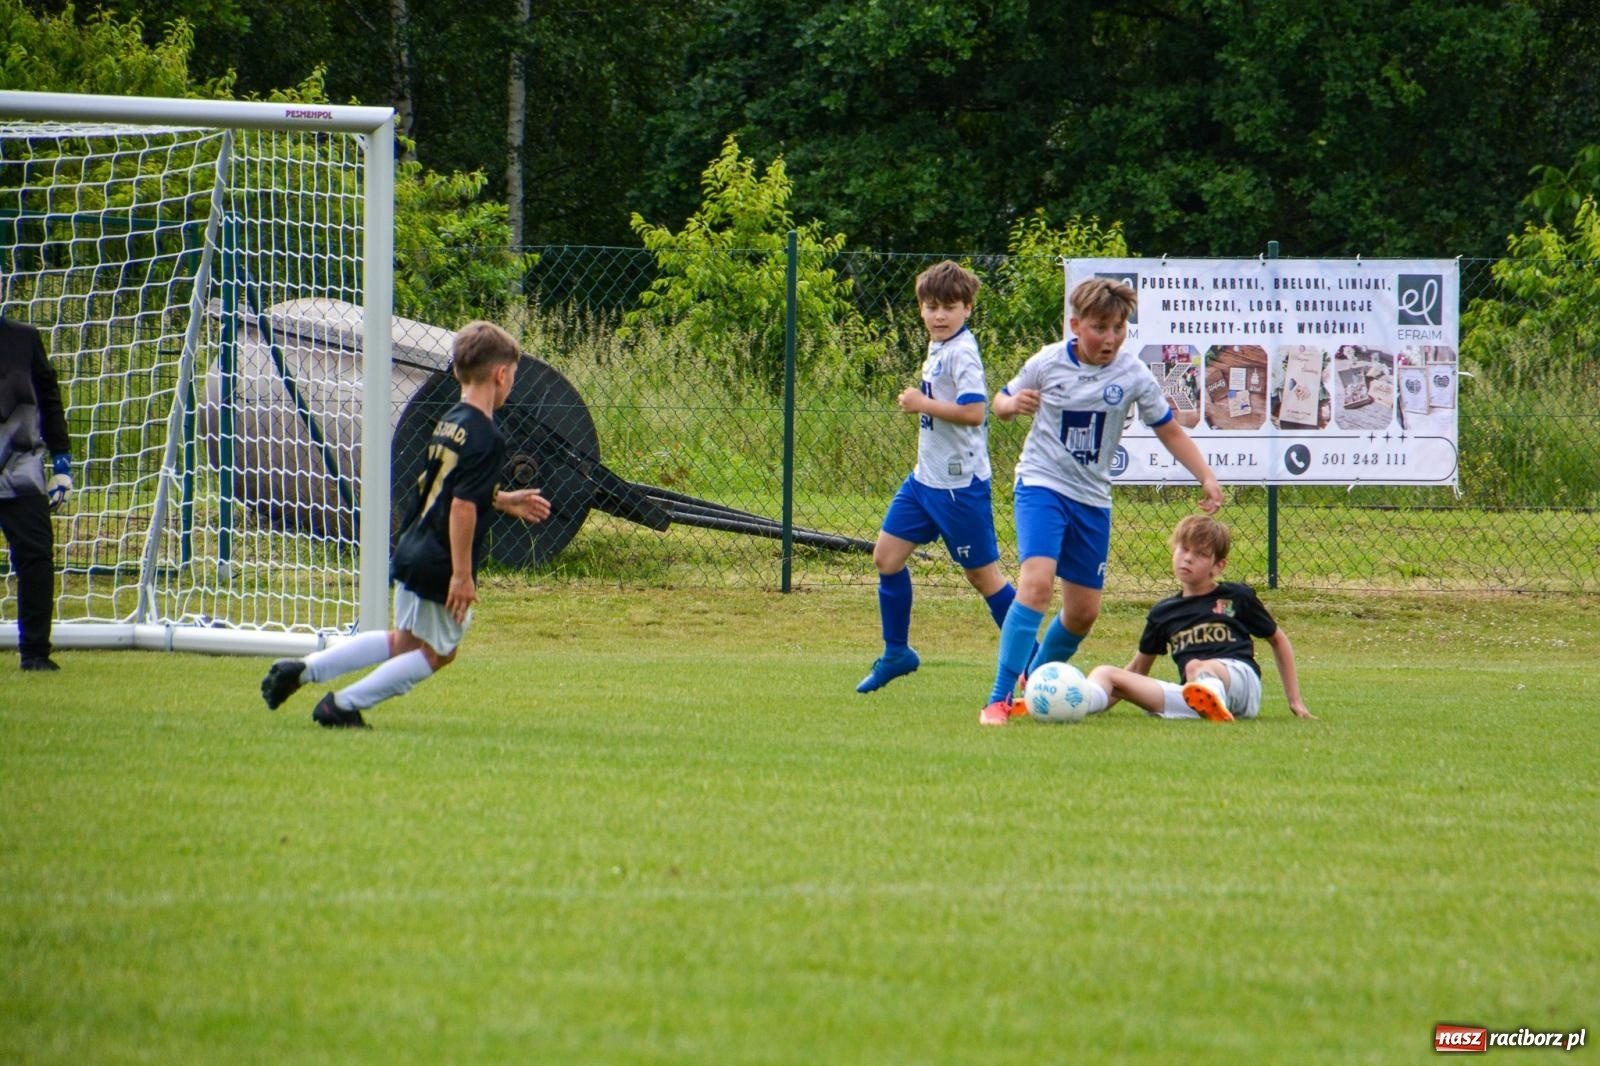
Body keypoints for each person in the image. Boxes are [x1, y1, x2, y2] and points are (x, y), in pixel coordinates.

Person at [260, 321, 551, 727]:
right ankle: (341, 705)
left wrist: (502, 500)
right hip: (439, 560)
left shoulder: (450, 422)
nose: (512, 384)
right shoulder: (487, 435)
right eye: (513, 376)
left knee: (405, 642)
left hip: (412, 546)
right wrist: (462, 577)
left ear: (456, 372)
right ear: (501, 374)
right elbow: (462, 507)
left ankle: (304, 670)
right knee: (437, 653)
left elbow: (450, 487)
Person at [979, 277, 1223, 725]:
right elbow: (1000, 400)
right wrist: (1011, 407)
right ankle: (997, 699)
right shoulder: (1048, 362)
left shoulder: (1132, 374)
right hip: (1041, 485)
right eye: (1099, 328)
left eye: (1118, 328)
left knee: (1082, 614)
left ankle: (1032, 684)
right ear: (1075, 325)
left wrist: (1205, 474)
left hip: (1092, 499)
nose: (1110, 338)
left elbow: (1167, 428)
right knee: (1035, 584)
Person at [856, 260, 1025, 694]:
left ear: (968, 308)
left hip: (958, 488)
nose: (939, 315)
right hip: (923, 482)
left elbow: (974, 412)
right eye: (931, 306)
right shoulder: (939, 345)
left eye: (949, 306)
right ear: (920, 309)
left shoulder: (963, 352)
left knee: (984, 578)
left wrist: (921, 403)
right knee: (886, 558)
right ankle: (897, 653)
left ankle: (1033, 662)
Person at [1073, 514, 1315, 722]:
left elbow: (1278, 640)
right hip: (1193, 694)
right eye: (1183, 549)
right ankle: (1076, 703)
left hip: (1241, 685)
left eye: (1200, 554)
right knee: (1106, 673)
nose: (1187, 558)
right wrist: (1106, 695)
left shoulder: (1235, 597)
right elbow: (1137, 669)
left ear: (1218, 566)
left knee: (1197, 666)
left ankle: (1212, 697)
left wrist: (1296, 701)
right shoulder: (1163, 613)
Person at [0, 310, 73, 672]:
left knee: (36, 557)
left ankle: (35, 653)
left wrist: (62, 462)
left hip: (20, 472)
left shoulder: (24, 339)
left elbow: (48, 397)